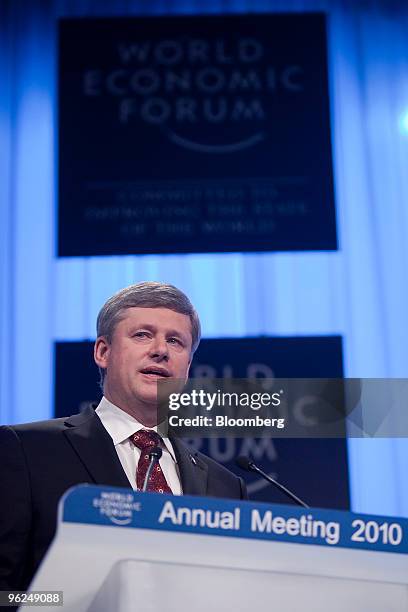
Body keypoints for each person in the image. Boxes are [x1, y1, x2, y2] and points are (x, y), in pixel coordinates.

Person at [0, 281, 247, 592]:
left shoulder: (226, 487)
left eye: (175, 341)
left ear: (188, 365)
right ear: (103, 352)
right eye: (142, 335)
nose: (160, 350)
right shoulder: (27, 452)